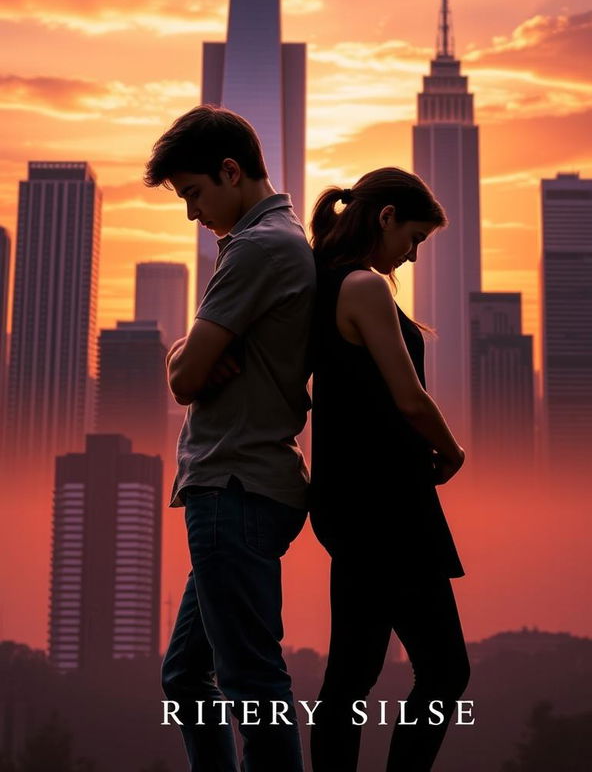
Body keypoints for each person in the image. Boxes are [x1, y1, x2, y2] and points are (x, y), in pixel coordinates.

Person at [144, 104, 315, 772]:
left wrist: (187, 358)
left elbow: (184, 379)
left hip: (233, 487)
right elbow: (185, 363)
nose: (192, 214)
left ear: (231, 171)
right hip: (242, 489)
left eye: (193, 195)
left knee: (253, 687)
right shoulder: (278, 237)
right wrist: (189, 354)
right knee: (187, 679)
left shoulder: (257, 248)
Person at [308, 167, 469, 772]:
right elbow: (409, 397)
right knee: (445, 668)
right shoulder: (364, 286)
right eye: (415, 239)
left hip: (352, 502)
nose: (414, 254)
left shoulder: (326, 281)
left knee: (350, 677)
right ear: (386, 218)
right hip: (385, 507)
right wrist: (452, 451)